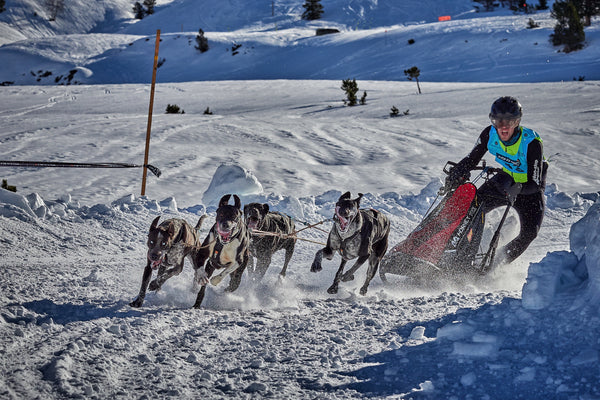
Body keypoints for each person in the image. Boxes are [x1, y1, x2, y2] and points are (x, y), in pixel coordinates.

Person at [445, 96, 548, 265]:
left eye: (510, 121)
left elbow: (536, 184)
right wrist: (457, 173)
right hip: (505, 180)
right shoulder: (489, 134)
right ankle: (462, 258)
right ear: (492, 121)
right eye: (498, 121)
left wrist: (519, 189)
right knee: (473, 211)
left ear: (517, 122)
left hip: (529, 189)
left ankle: (496, 264)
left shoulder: (531, 143)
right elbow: (471, 159)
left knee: (530, 233)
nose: (504, 126)